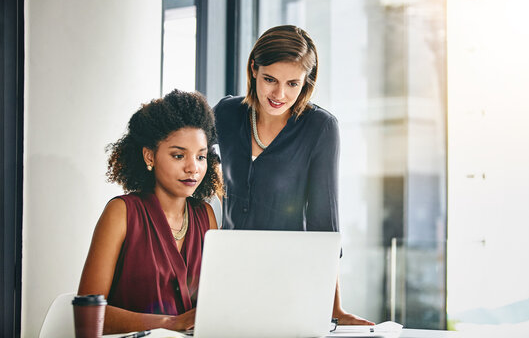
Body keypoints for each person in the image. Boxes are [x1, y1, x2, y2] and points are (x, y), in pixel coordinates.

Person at [214, 25, 374, 325]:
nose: (279, 94)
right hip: (230, 275)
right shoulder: (226, 113)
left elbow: (323, 222)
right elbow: (189, 155)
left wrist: (334, 307)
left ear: (307, 82)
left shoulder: (320, 128)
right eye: (269, 80)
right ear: (253, 69)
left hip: (290, 282)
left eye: (293, 83)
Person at [78, 90, 223, 334]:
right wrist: (169, 324)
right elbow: (87, 315)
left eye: (201, 157)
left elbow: (219, 301)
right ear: (149, 156)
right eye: (179, 155)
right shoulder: (122, 213)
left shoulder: (205, 215)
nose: (193, 168)